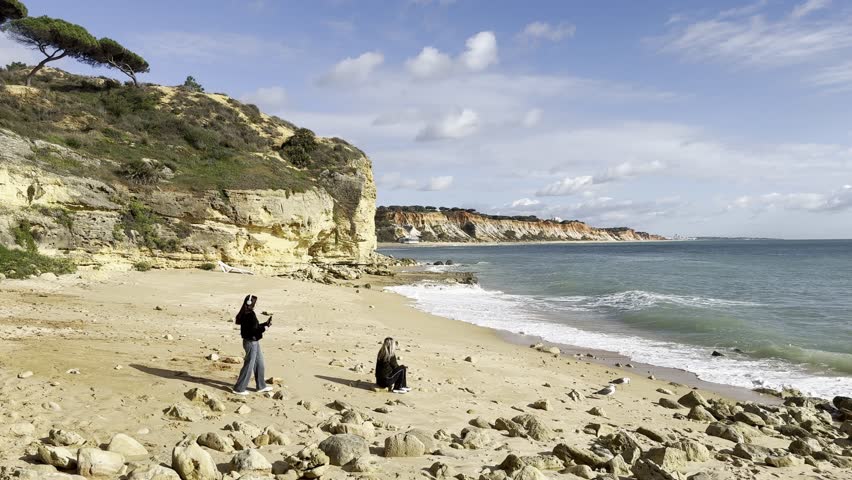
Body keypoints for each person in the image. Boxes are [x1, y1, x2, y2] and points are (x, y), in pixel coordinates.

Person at [232, 294, 273, 395]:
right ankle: (239, 388)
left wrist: (264, 324)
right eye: (255, 302)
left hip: (253, 342)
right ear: (251, 303)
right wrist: (265, 328)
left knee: (260, 363)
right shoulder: (249, 314)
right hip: (251, 343)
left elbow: (253, 327)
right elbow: (253, 331)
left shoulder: (246, 313)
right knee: (249, 365)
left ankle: (261, 386)